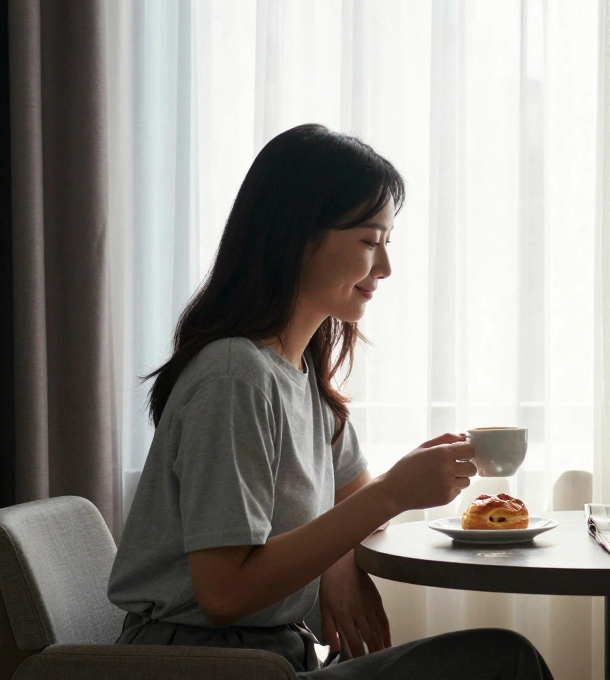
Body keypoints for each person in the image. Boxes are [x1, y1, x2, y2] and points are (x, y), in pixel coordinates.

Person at [108, 124, 554, 679]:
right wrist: (393, 493)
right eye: (370, 242)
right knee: (503, 661)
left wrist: (340, 559)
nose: (385, 269)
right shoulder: (235, 378)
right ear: (297, 238)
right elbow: (223, 593)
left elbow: (352, 505)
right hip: (207, 664)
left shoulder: (300, 375)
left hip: (271, 656)